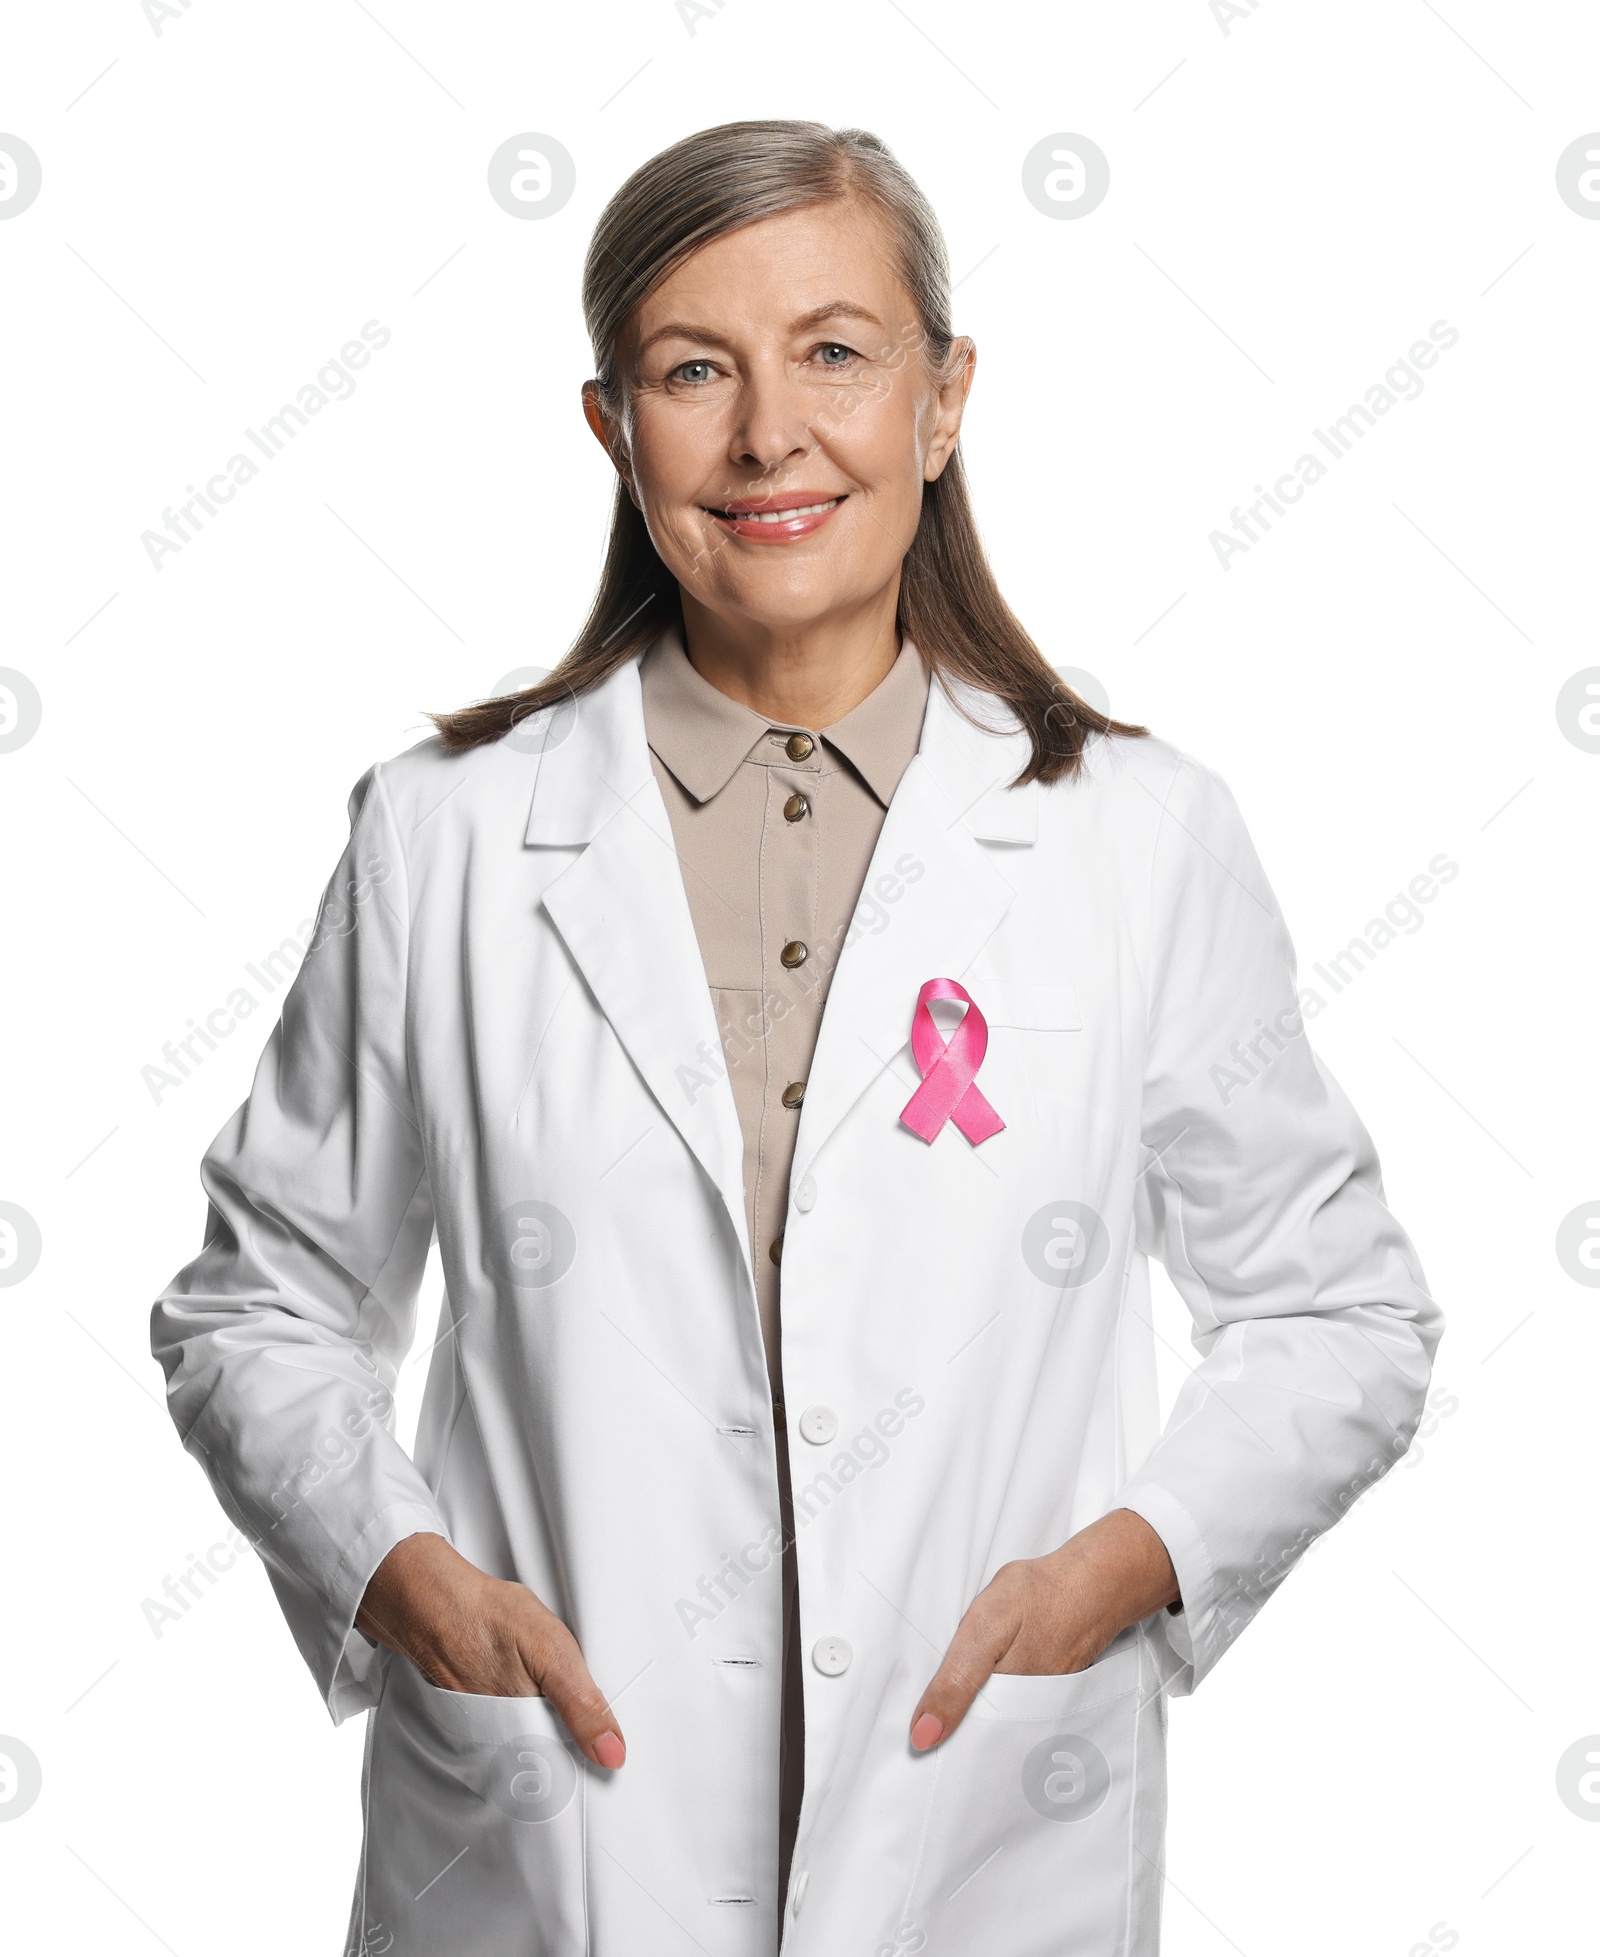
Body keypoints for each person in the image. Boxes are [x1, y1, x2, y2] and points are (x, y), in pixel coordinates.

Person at [151, 119, 1441, 1956]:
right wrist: (402, 1576)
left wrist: (1124, 1569)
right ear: (612, 429)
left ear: (942, 400)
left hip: (988, 1837)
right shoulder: (442, 835)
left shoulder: (1137, 839)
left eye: (836, 352)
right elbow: (256, 1305)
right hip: (547, 1846)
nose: (771, 436)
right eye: (696, 371)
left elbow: (1339, 1311)